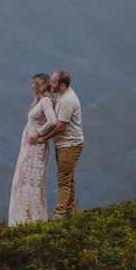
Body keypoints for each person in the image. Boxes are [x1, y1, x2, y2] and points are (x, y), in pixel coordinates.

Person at [31, 70, 84, 220]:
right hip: (65, 144)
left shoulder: (67, 101)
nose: (50, 84)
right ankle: (70, 210)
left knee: (63, 179)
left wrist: (43, 137)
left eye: (53, 82)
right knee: (69, 177)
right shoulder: (63, 96)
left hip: (69, 144)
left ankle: (59, 214)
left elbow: (60, 126)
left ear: (62, 85)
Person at [8, 73, 57, 226]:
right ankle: (25, 217)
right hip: (29, 146)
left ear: (40, 85)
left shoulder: (46, 101)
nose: (31, 86)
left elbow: (52, 121)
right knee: (23, 179)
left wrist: (39, 132)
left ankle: (28, 218)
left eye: (34, 83)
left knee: (28, 180)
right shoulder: (40, 101)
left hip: (36, 148)